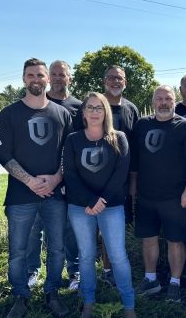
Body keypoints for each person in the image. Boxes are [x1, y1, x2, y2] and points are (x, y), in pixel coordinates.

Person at [0, 58, 72, 318]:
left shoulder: (62, 114)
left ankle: (52, 292)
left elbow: (67, 154)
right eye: (31, 75)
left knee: (57, 248)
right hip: (20, 196)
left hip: (55, 195)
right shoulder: (9, 114)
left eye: (40, 75)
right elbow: (3, 154)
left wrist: (56, 179)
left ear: (47, 79)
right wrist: (29, 181)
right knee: (18, 250)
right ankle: (20, 295)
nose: (36, 79)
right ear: (24, 78)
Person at [63, 92, 136, 318]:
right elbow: (71, 175)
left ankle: (129, 305)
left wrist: (100, 200)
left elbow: (120, 174)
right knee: (85, 255)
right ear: (83, 112)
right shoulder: (73, 139)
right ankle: (88, 301)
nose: (95, 112)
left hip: (111, 205)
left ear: (106, 112)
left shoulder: (119, 138)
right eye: (90, 107)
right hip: (80, 207)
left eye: (99, 108)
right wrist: (89, 200)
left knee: (117, 255)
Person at [130, 85, 186, 302]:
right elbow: (135, 160)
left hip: (175, 197)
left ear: (175, 100)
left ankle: (175, 283)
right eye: (159, 98)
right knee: (148, 239)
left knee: (175, 241)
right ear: (153, 102)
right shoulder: (141, 125)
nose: (163, 102)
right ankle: (151, 279)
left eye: (167, 98)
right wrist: (133, 186)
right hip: (146, 196)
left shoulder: (185, 126)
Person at [26, 60, 81, 290]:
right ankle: (32, 271)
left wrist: (65, 177)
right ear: (49, 78)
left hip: (66, 180)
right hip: (35, 181)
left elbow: (79, 144)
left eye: (63, 74)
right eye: (54, 74)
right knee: (34, 228)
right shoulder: (36, 104)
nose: (59, 78)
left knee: (68, 228)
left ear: (70, 78)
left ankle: (74, 271)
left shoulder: (79, 106)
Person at [100, 65, 141, 284]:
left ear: (125, 82)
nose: (116, 82)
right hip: (97, 180)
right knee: (100, 228)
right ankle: (106, 270)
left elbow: (135, 148)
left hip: (124, 181)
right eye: (112, 78)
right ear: (104, 80)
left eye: (120, 79)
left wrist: (133, 181)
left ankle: (119, 268)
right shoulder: (96, 106)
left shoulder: (131, 109)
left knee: (119, 227)